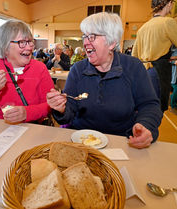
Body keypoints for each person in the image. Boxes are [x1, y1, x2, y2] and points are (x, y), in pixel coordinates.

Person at [46, 12, 163, 149]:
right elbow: (70, 109)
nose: (85, 42)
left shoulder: (133, 67)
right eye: (84, 36)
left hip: (122, 143)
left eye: (92, 36)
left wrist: (145, 125)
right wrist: (61, 109)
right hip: (80, 141)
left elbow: (150, 105)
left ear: (112, 43)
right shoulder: (78, 69)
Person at [0, 20, 54, 123]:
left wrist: (27, 113)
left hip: (32, 129)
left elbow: (50, 104)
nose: (29, 47)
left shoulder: (40, 68)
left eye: (30, 41)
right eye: (22, 42)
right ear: (5, 47)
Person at [132, 0, 177, 112]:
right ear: (169, 4)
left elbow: (134, 54)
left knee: (147, 107)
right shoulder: (167, 22)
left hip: (146, 72)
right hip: (159, 71)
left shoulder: (143, 27)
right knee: (156, 110)